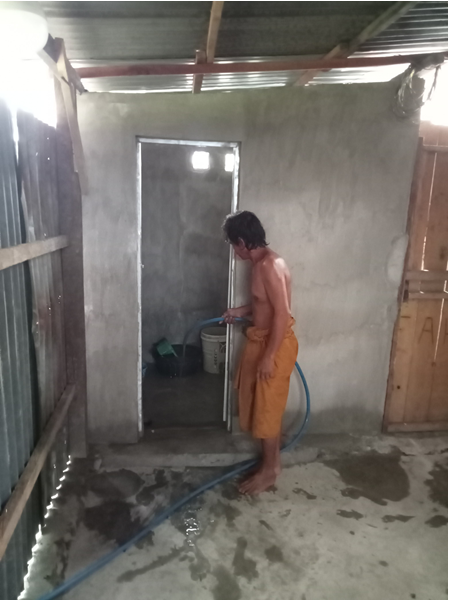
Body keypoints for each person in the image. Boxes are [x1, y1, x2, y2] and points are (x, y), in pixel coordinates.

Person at [222, 211, 298, 495]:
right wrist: (238, 312)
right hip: (262, 340)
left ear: (242, 242)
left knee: (267, 408)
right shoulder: (259, 265)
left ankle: (270, 470)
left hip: (273, 346)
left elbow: (282, 314)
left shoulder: (271, 265)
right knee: (263, 404)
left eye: (233, 245)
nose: (234, 252)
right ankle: (270, 462)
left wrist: (269, 356)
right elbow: (262, 304)